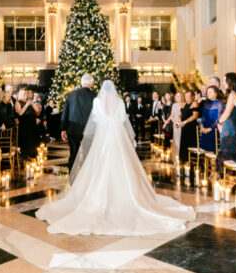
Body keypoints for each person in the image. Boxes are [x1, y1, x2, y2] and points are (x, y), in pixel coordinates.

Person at [37, 80, 196, 235]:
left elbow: (96, 120)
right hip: (117, 137)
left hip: (102, 137)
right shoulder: (119, 102)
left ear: (102, 90)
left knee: (99, 164)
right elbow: (122, 119)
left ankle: (98, 196)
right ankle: (126, 195)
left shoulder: (98, 101)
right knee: (123, 163)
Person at [61, 75, 97, 170]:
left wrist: (63, 129)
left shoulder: (71, 95)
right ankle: (86, 177)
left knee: (73, 153)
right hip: (89, 130)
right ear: (92, 83)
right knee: (87, 154)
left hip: (73, 129)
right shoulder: (95, 96)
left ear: (81, 83)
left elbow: (65, 113)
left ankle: (72, 178)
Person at [216, 73, 236, 174]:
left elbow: (227, 112)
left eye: (225, 81)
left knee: (227, 154)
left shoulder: (232, 95)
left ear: (230, 81)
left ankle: (228, 180)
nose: (223, 83)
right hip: (232, 126)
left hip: (229, 127)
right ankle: (229, 182)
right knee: (229, 154)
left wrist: (219, 122)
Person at [15, 89, 42, 160]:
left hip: (32, 125)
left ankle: (32, 158)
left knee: (33, 143)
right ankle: (25, 159)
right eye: (24, 94)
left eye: (27, 94)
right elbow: (20, 113)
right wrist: (26, 105)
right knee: (25, 145)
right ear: (21, 94)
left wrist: (32, 104)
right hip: (24, 126)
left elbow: (37, 111)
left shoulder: (30, 102)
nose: (26, 95)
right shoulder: (18, 102)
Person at [199, 86, 224, 156]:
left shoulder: (219, 103)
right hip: (204, 130)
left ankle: (213, 167)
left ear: (216, 93)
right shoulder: (206, 104)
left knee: (213, 153)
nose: (208, 94)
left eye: (210, 92)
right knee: (206, 153)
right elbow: (203, 117)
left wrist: (210, 128)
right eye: (207, 92)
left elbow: (219, 119)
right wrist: (202, 127)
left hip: (214, 130)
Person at [178, 90, 201, 163]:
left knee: (191, 144)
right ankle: (184, 160)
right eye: (186, 96)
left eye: (188, 96)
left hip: (191, 127)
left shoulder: (194, 103)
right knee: (184, 143)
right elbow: (180, 114)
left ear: (192, 96)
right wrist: (179, 121)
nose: (187, 97)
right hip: (184, 127)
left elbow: (195, 115)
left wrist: (185, 122)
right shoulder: (183, 104)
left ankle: (192, 161)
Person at [167, 91, 184, 159]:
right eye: (176, 96)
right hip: (175, 124)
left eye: (179, 96)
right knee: (176, 139)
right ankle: (176, 155)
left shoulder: (183, 104)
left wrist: (180, 122)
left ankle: (181, 154)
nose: (178, 97)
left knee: (180, 139)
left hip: (181, 124)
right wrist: (174, 122)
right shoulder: (174, 105)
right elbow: (171, 115)